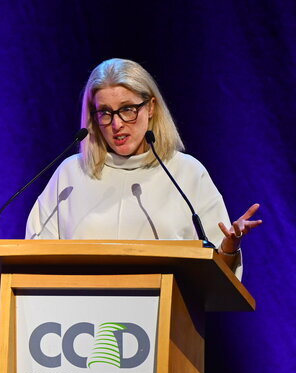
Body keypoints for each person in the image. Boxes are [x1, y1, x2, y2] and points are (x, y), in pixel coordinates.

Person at [26, 58, 262, 277]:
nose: (116, 124)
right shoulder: (71, 175)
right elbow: (32, 258)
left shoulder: (186, 173)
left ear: (150, 108)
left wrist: (229, 248)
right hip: (81, 318)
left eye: (127, 109)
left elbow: (218, 276)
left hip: (165, 316)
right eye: (105, 113)